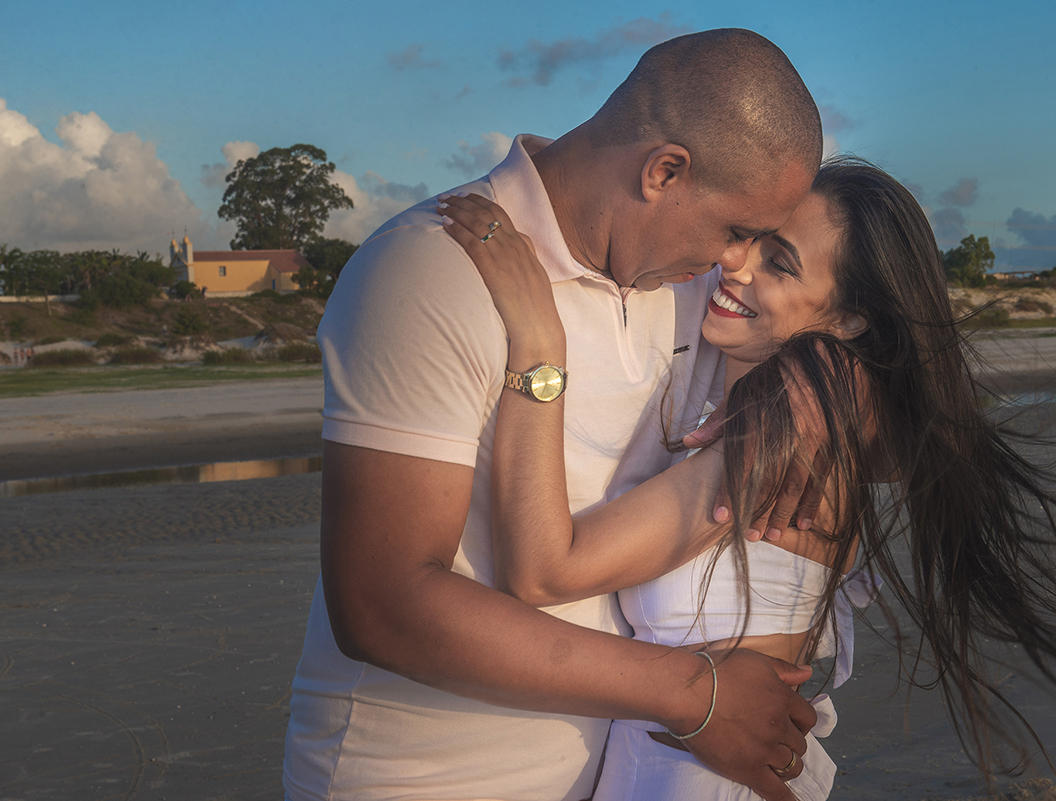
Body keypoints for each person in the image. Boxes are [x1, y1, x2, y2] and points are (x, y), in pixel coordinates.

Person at [438, 156, 1056, 798]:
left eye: (781, 262)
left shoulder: (778, 433)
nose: (735, 263)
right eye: (749, 235)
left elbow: (542, 568)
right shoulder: (797, 407)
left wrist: (537, 345)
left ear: (846, 319)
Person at [284, 29, 830, 801]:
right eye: (737, 230)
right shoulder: (433, 268)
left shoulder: (688, 290)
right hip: (413, 782)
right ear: (664, 170)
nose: (736, 261)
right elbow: (383, 601)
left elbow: (853, 320)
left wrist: (831, 404)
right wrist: (694, 694)